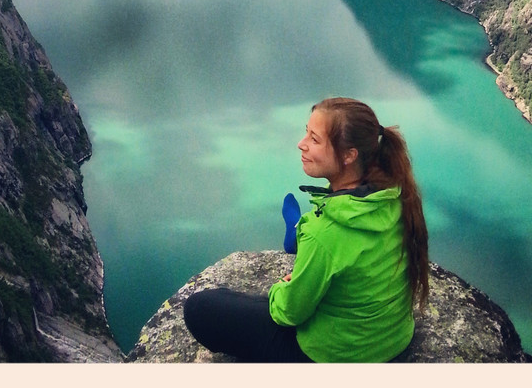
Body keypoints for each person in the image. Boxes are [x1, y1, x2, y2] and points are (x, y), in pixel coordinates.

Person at [182, 96, 429, 362]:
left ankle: (296, 233)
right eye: (306, 134)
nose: (301, 144)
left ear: (349, 155)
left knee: (200, 307)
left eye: (314, 139)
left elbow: (290, 312)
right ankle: (296, 234)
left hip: (335, 356)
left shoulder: (324, 235)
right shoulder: (393, 196)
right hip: (392, 343)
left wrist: (280, 288)